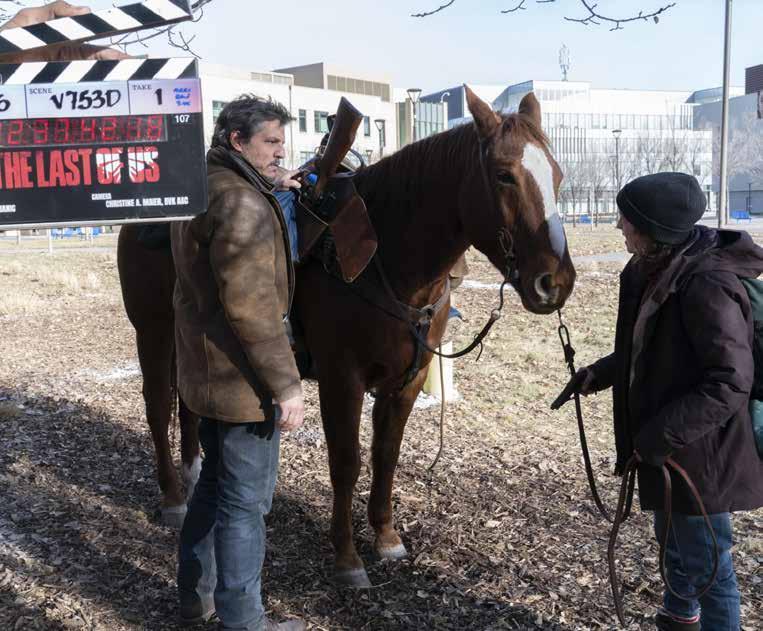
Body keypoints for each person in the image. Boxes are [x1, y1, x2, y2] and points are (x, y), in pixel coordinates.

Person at [565, 172, 763, 630]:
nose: (619, 226)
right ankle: (679, 619)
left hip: (701, 456)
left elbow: (731, 380)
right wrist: (600, 374)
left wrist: (658, 435)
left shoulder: (706, 284)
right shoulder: (654, 268)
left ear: (653, 230)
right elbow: (649, 347)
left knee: (710, 570)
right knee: (674, 546)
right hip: (669, 450)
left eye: (627, 220)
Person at [172, 95, 306, 631]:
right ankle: (244, 621)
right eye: (270, 142)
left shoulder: (200, 184)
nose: (280, 152)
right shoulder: (242, 204)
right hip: (241, 384)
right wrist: (286, 385)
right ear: (237, 141)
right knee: (245, 504)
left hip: (205, 375)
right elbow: (253, 309)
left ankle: (195, 595)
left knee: (213, 484)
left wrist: (272, 184)